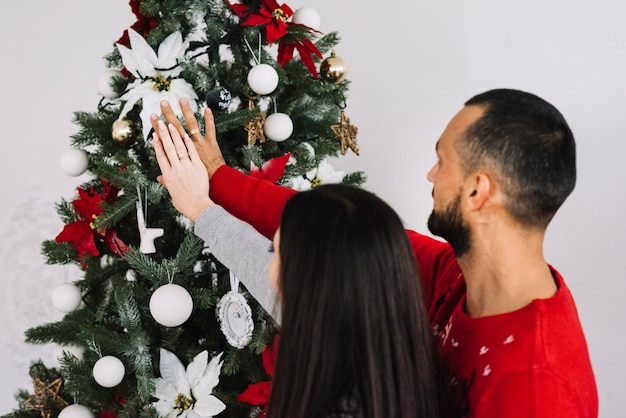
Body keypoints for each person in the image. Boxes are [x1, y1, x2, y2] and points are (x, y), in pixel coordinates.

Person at [152, 88, 598, 417]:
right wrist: (216, 182)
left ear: (478, 190)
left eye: (441, 161)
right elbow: (329, 232)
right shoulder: (454, 274)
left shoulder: (537, 389)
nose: (430, 175)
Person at [151, 119, 441, 417]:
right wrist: (202, 204)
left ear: (308, 282)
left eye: (275, 251)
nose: (270, 265)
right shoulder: (387, 354)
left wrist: (201, 206)